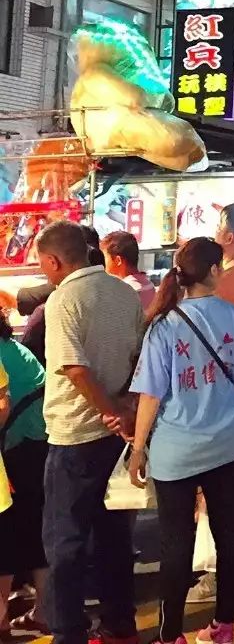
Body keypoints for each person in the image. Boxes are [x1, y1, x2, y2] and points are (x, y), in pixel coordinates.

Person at [129, 237, 234, 644]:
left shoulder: (164, 324)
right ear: (213, 272)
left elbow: (150, 396)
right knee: (229, 533)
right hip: (226, 446)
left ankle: (171, 635)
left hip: (176, 452)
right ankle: (223, 626)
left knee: (176, 541)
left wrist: (138, 449)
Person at [37, 219, 143, 644]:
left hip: (74, 436)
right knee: (115, 536)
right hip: (114, 438)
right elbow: (140, 356)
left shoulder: (65, 299)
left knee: (65, 542)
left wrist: (109, 411)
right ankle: (119, 623)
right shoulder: (123, 291)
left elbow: (75, 368)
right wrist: (124, 408)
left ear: (54, 260)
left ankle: (69, 632)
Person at [0, 314, 47, 635]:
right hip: (39, 446)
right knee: (35, 533)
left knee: (9, 537)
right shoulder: (13, 348)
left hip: (18, 452)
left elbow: (3, 406)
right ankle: (45, 610)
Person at [100, 231, 155, 311]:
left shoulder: (123, 292)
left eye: (104, 257)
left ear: (118, 260)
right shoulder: (149, 285)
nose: (102, 262)